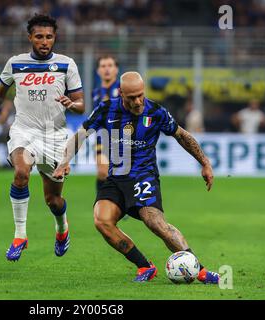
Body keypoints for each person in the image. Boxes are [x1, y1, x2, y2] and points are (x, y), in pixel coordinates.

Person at [53, 72, 219, 283]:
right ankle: (144, 266)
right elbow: (81, 135)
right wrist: (64, 161)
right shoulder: (106, 109)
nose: (138, 101)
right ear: (121, 93)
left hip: (144, 176)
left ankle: (201, 271)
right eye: (131, 97)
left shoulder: (156, 111)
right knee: (102, 221)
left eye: (140, 95)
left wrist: (204, 162)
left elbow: (182, 136)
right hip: (116, 178)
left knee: (155, 222)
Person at [0, 14, 84, 261]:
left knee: (53, 200)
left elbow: (82, 104)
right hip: (23, 131)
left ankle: (62, 229)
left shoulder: (66, 64)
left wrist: (71, 103)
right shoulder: (15, 64)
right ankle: (20, 235)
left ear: (55, 38)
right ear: (30, 37)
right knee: (21, 173)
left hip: (54, 137)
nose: (44, 41)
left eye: (49, 37)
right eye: (39, 36)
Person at [92, 55, 120, 192]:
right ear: (98, 71)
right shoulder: (96, 93)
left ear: (116, 69)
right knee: (103, 171)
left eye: (110, 65)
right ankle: (100, 205)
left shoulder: (124, 90)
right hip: (102, 137)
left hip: (122, 138)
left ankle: (120, 208)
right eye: (103, 66)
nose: (107, 69)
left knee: (119, 175)